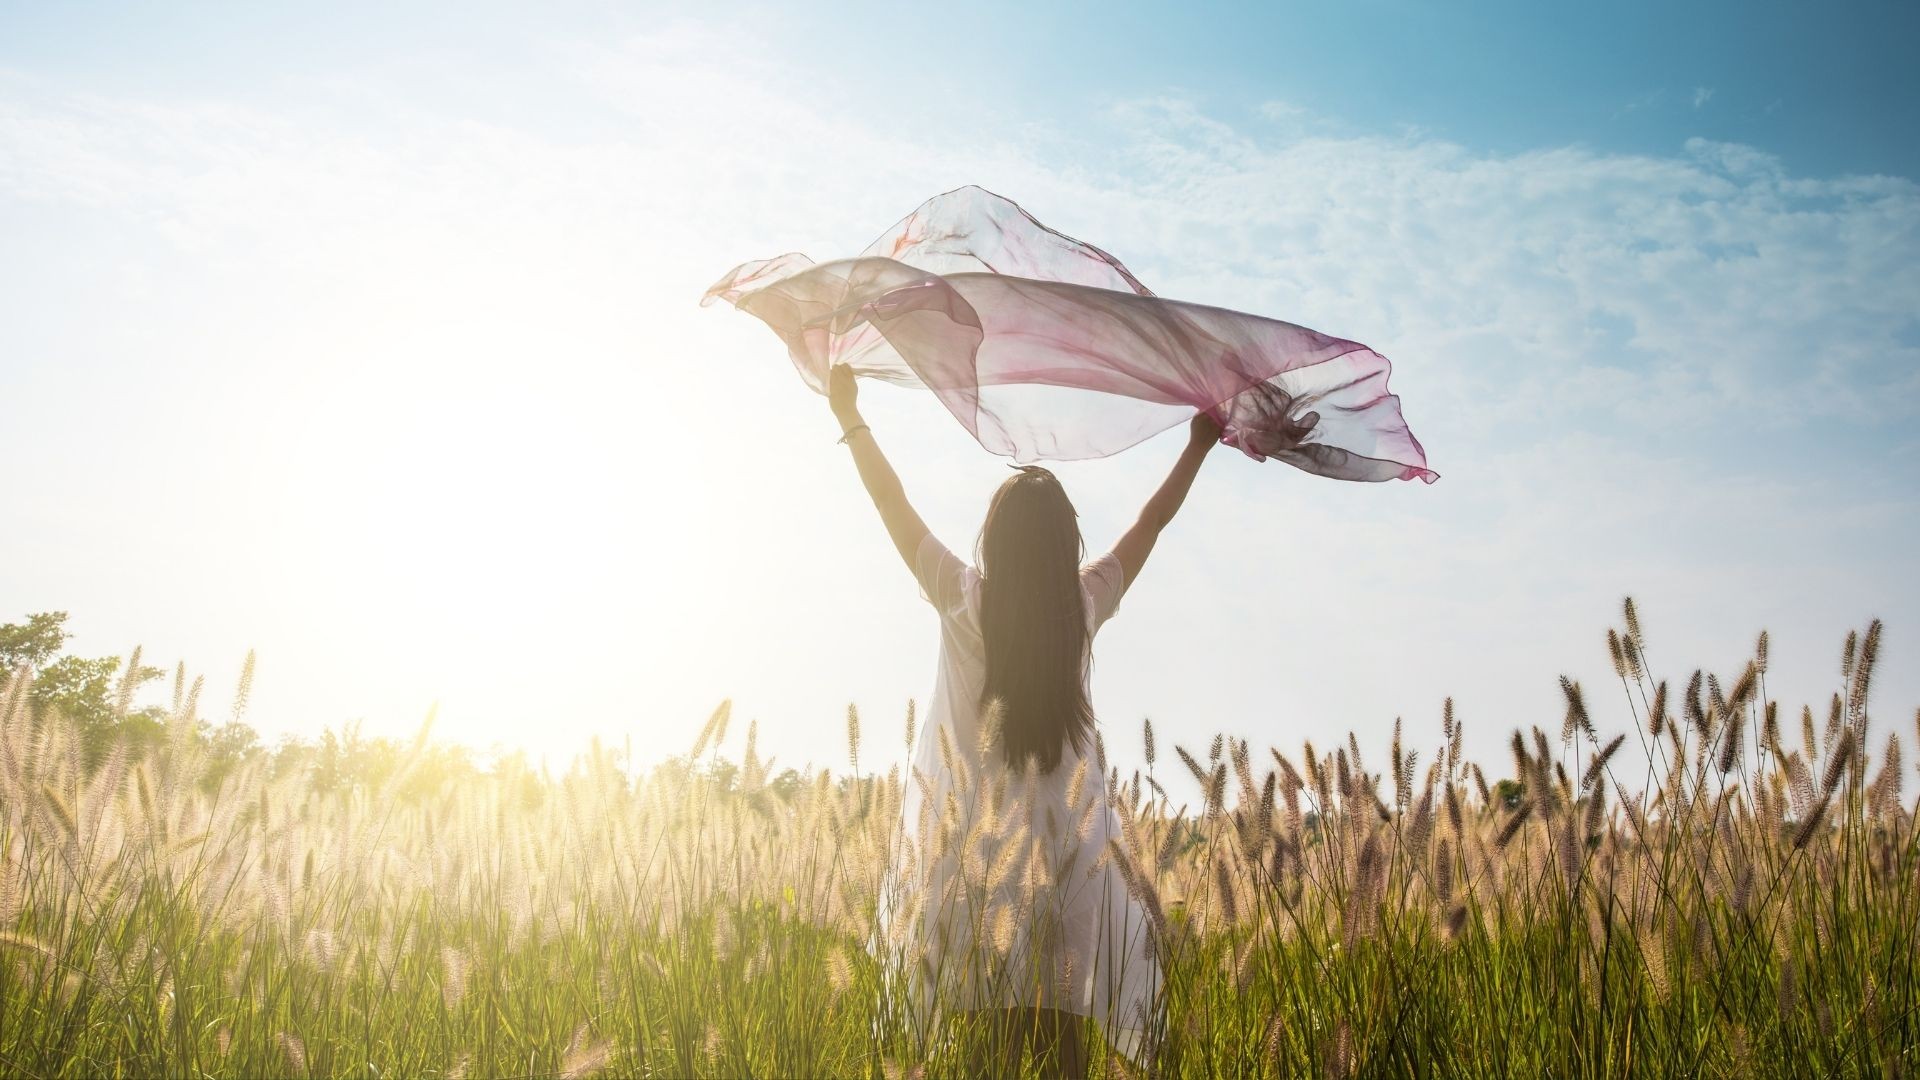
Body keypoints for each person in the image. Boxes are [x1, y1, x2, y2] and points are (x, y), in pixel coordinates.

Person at [828, 365, 1222, 1077]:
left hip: (976, 868)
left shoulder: (960, 597)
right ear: (1064, 546)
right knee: (1064, 1039)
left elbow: (890, 501)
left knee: (983, 1043)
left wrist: (850, 417)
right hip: (1072, 865)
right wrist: (1198, 444)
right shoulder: (1083, 605)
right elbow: (1151, 522)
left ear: (994, 541)